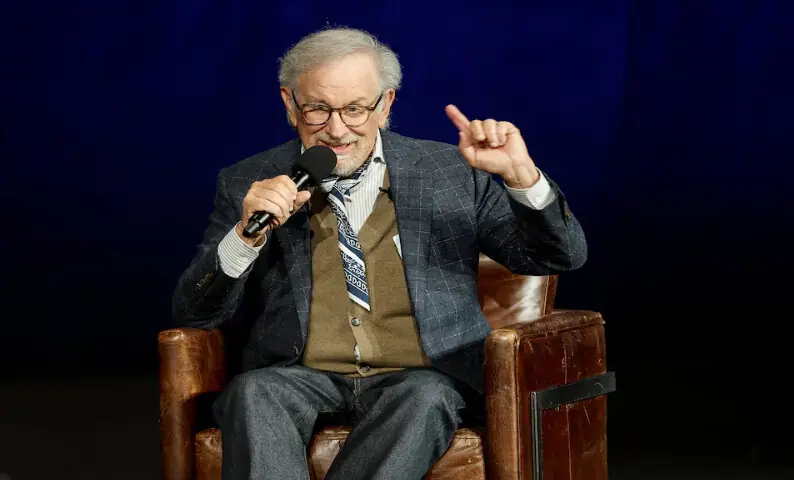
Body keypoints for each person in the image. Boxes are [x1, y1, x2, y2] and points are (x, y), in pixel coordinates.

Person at [172, 26, 587, 480]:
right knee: (253, 392)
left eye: (354, 108)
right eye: (316, 108)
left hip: (421, 376)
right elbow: (194, 312)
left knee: (425, 397)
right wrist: (245, 237)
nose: (336, 128)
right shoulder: (248, 181)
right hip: (297, 374)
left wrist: (522, 178)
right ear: (290, 104)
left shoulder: (451, 173)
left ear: (386, 104)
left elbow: (559, 257)